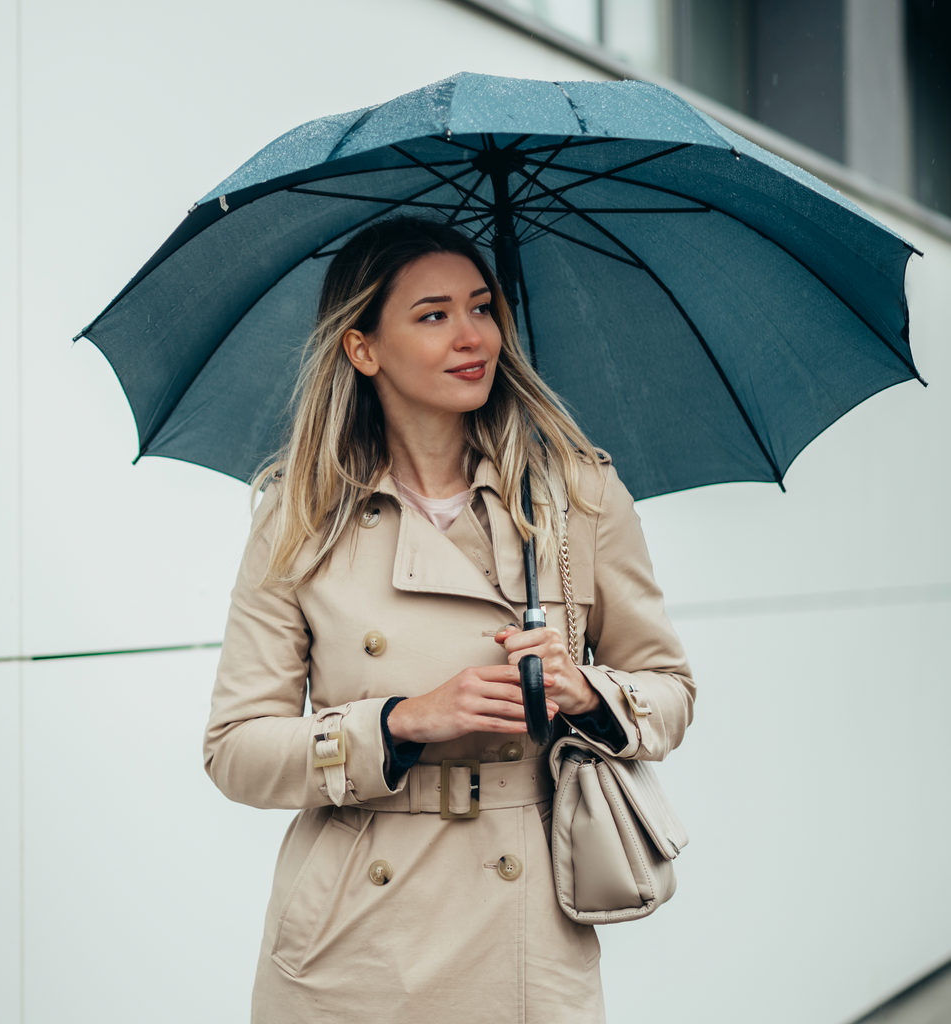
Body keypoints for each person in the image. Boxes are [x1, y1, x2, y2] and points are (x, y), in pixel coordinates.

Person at [204, 217, 694, 1024]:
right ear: (363, 349)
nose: (472, 337)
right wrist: (401, 722)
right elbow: (235, 750)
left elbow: (670, 692)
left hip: (525, 929)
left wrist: (588, 691)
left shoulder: (577, 496)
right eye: (432, 315)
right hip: (351, 937)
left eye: (480, 307)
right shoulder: (298, 515)